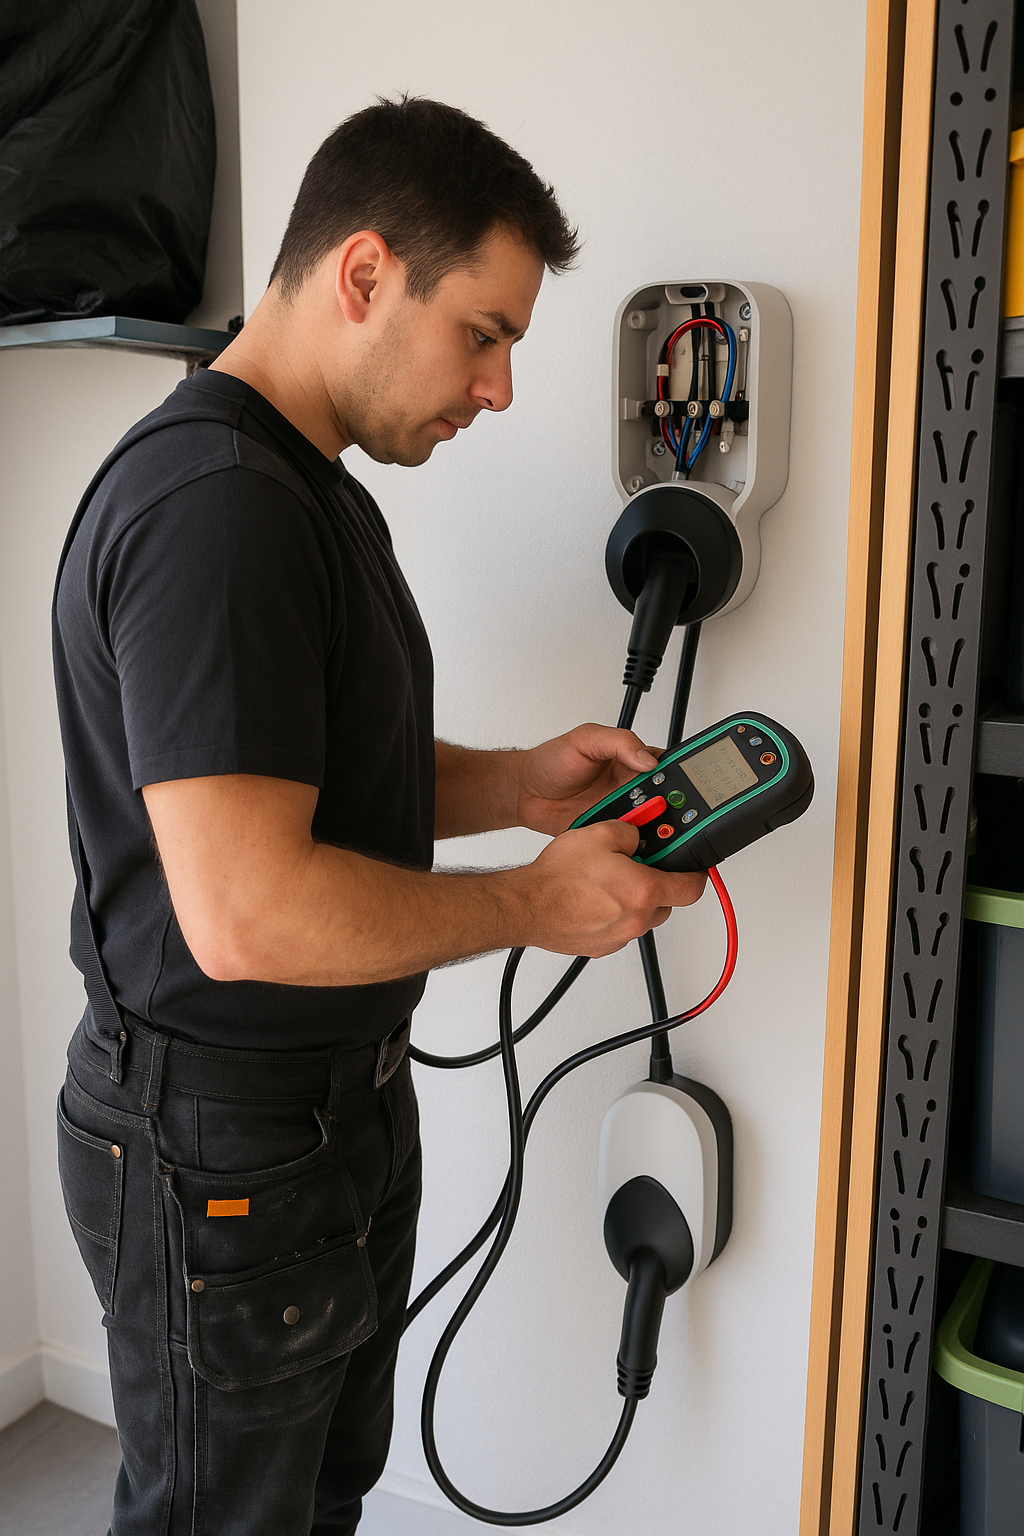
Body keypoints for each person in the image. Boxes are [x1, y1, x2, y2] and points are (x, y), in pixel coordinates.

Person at [51, 96, 704, 1536]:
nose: (499, 389)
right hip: (221, 1150)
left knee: (310, 1503)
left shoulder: (308, 489)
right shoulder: (216, 506)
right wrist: (536, 901)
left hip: (321, 1121)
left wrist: (511, 782)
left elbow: (304, 760)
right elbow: (247, 908)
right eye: (485, 332)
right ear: (363, 276)